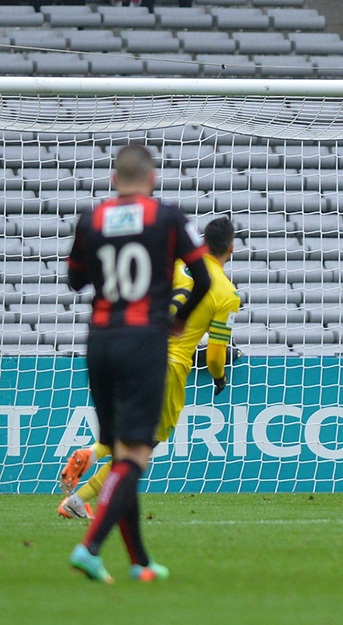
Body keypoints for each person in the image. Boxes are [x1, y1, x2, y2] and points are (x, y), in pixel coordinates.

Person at [65, 144, 212, 583]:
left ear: (114, 180)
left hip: (99, 341)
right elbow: (203, 278)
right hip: (144, 341)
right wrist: (179, 320)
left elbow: (75, 280)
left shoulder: (91, 219)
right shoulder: (167, 216)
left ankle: (140, 563)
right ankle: (90, 547)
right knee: (135, 455)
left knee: (119, 451)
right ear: (152, 179)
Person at [58, 217, 241, 521]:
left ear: (203, 242)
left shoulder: (177, 264)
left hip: (135, 350)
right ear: (231, 248)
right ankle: (80, 491)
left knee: (129, 431)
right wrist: (219, 377)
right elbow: (214, 356)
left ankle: (88, 465)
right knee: (143, 444)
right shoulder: (227, 293)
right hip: (170, 365)